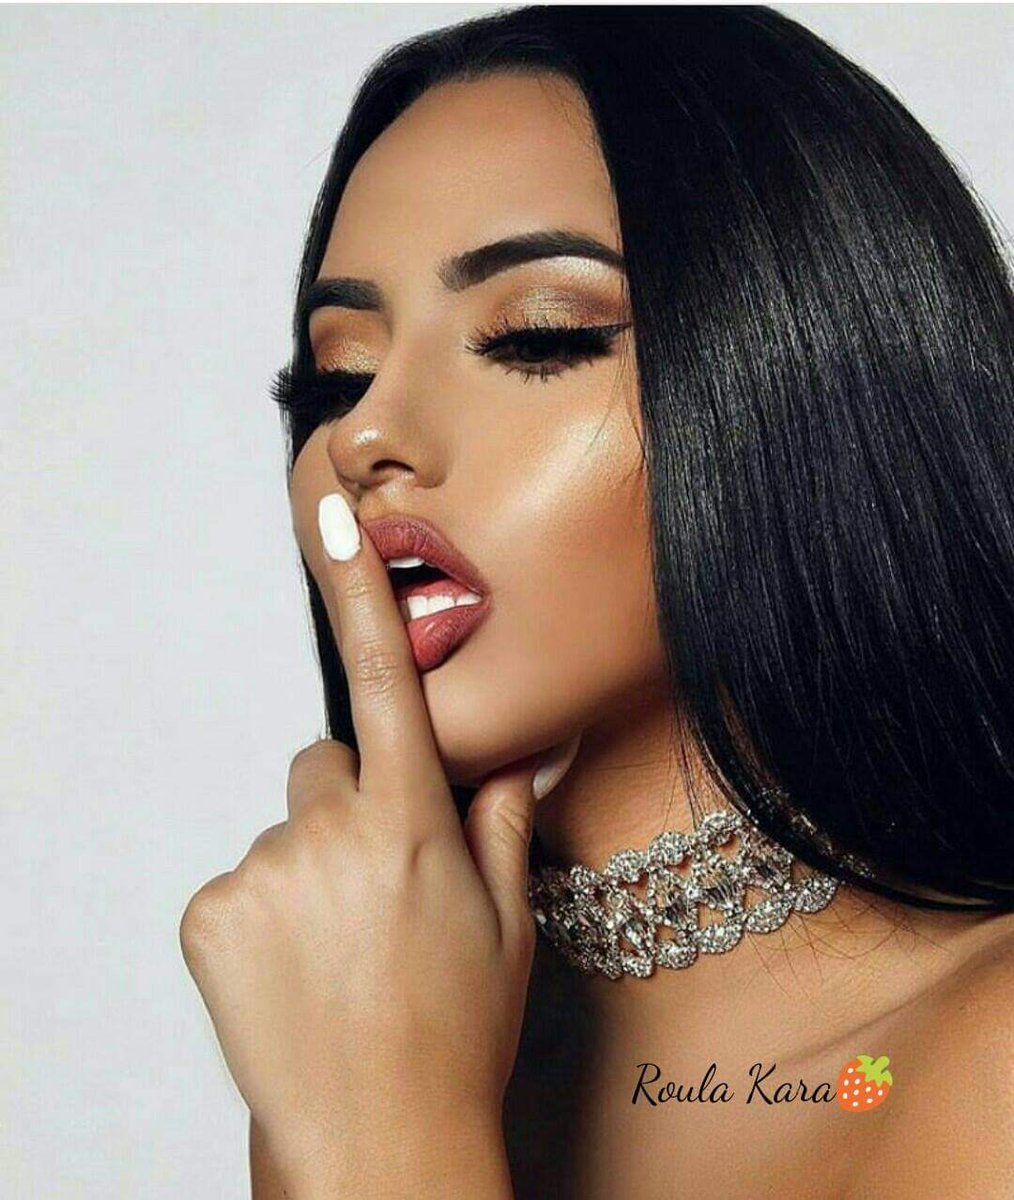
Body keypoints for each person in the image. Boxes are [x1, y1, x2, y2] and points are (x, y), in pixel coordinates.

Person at [180, 7, 1014, 1197]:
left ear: (812, 381)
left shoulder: (991, 1057)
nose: (362, 436)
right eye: (339, 376)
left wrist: (386, 1140)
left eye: (537, 339)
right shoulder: (379, 1034)